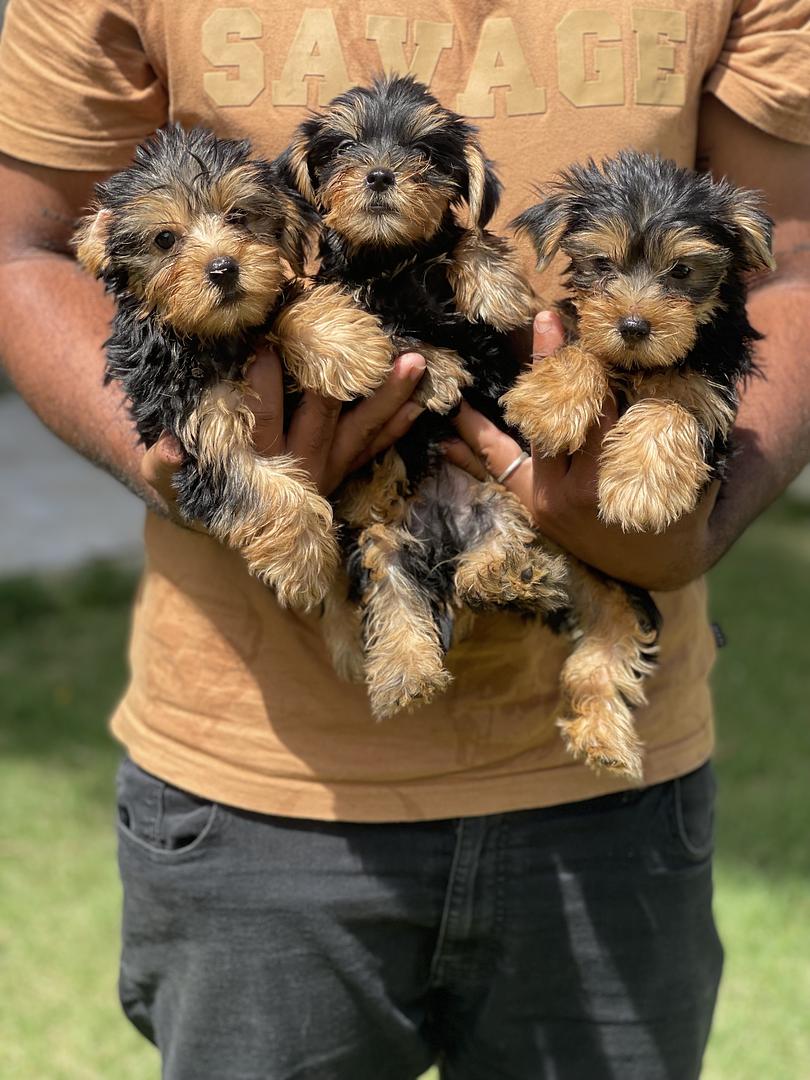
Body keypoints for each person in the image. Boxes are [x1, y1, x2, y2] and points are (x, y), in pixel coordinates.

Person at [0, 1, 808, 1076]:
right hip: (257, 781)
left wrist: (697, 515)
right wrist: (203, 462)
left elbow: (794, 257)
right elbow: (23, 244)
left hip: (613, 789)